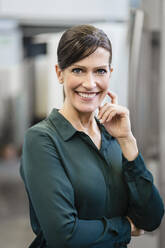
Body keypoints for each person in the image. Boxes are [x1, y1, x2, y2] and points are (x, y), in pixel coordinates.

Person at [20, 24, 164, 248]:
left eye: (100, 71)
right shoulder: (42, 140)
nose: (90, 83)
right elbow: (64, 236)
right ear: (60, 73)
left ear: (110, 73)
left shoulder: (114, 136)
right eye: (78, 70)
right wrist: (126, 226)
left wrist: (127, 140)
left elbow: (152, 218)